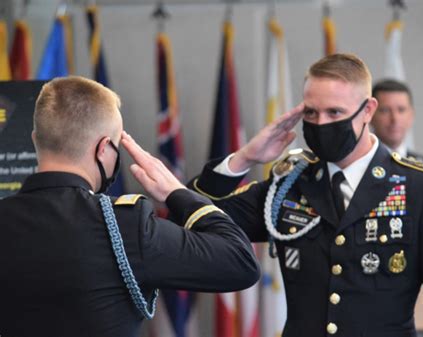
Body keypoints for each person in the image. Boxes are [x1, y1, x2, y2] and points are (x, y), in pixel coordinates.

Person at [191, 54, 423, 337]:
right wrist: (244, 158)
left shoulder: (421, 189)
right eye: (311, 113)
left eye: (334, 113)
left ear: (367, 110)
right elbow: (196, 216)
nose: (321, 123)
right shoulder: (289, 184)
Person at [0, 76, 260, 337]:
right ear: (104, 149)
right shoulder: (124, 227)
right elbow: (239, 261)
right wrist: (176, 192)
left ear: (36, 140)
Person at [371, 79, 423, 167]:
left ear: (411, 115)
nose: (395, 119)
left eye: (401, 110)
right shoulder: (359, 163)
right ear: (370, 115)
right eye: (385, 110)